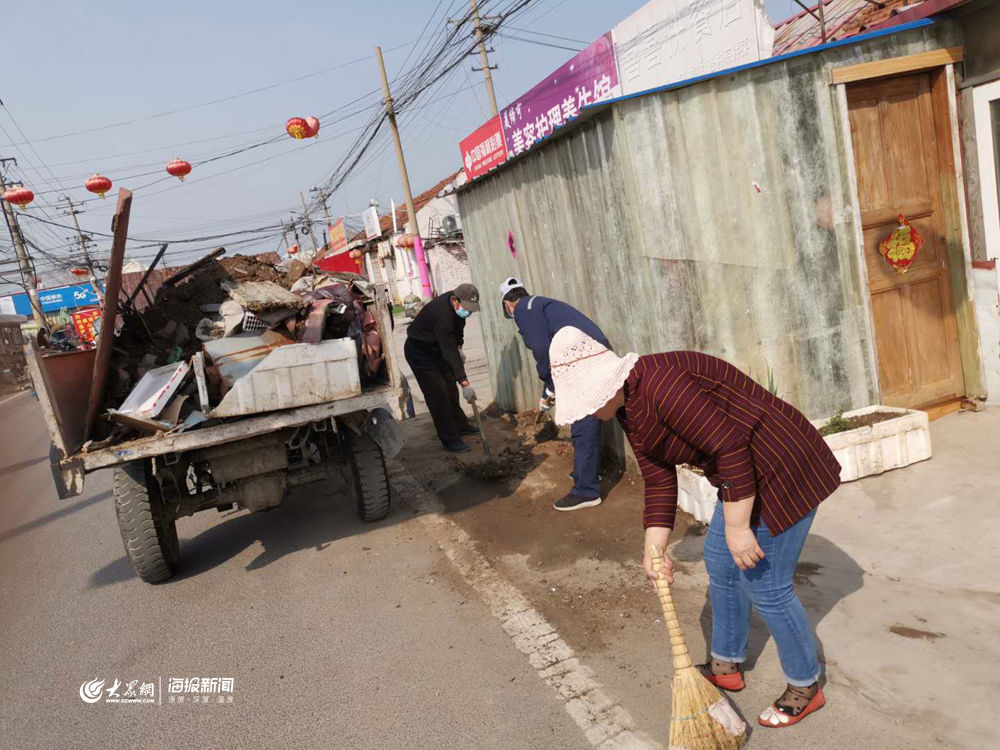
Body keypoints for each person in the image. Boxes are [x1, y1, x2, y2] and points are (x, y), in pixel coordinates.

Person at [547, 327, 841, 730]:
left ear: (604, 385)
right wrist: (655, 548)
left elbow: (731, 448)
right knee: (719, 559)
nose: (583, 413)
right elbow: (659, 478)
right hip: (742, 475)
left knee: (765, 584)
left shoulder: (662, 386)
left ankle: (806, 686)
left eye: (584, 402)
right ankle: (727, 664)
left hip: (781, 463)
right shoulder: (630, 408)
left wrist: (739, 528)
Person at [499, 277, 607, 511]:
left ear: (508, 304)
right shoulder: (539, 304)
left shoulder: (523, 310)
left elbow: (540, 348)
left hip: (585, 358)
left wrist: (548, 384)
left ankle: (586, 491)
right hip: (586, 355)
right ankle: (585, 473)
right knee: (587, 419)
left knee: (583, 420)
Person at [404, 283, 481, 453]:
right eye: (466, 308)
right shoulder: (443, 315)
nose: (467, 312)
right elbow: (448, 351)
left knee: (450, 389)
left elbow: (458, 330)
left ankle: (460, 425)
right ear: (455, 300)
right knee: (438, 394)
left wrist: (459, 346)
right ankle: (450, 439)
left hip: (437, 349)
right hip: (420, 353)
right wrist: (465, 383)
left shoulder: (457, 309)